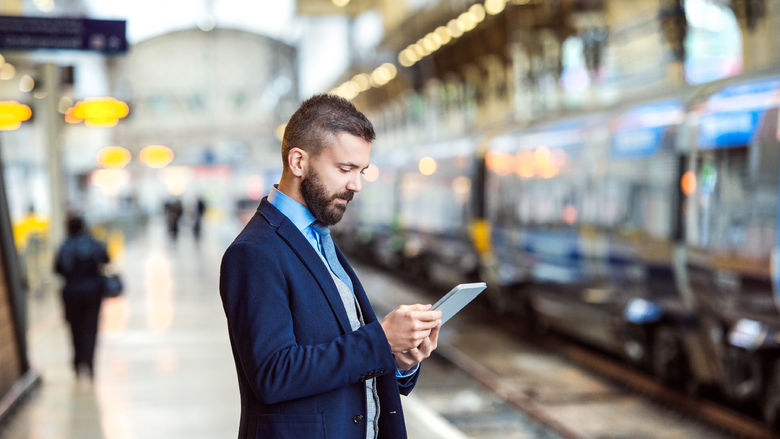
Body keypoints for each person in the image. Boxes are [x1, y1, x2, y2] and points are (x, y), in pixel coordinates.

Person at [220, 94, 442, 439]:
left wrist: (399, 360)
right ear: (298, 161)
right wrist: (380, 340)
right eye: (345, 169)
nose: (356, 184)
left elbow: (340, 356)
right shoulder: (254, 253)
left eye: (362, 171)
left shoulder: (320, 239)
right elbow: (272, 374)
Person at [54, 215, 109, 380]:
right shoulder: (94, 244)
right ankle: (89, 363)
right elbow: (106, 259)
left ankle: (78, 363)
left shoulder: (64, 246)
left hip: (71, 293)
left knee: (74, 328)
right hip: (93, 292)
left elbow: (57, 269)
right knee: (91, 328)